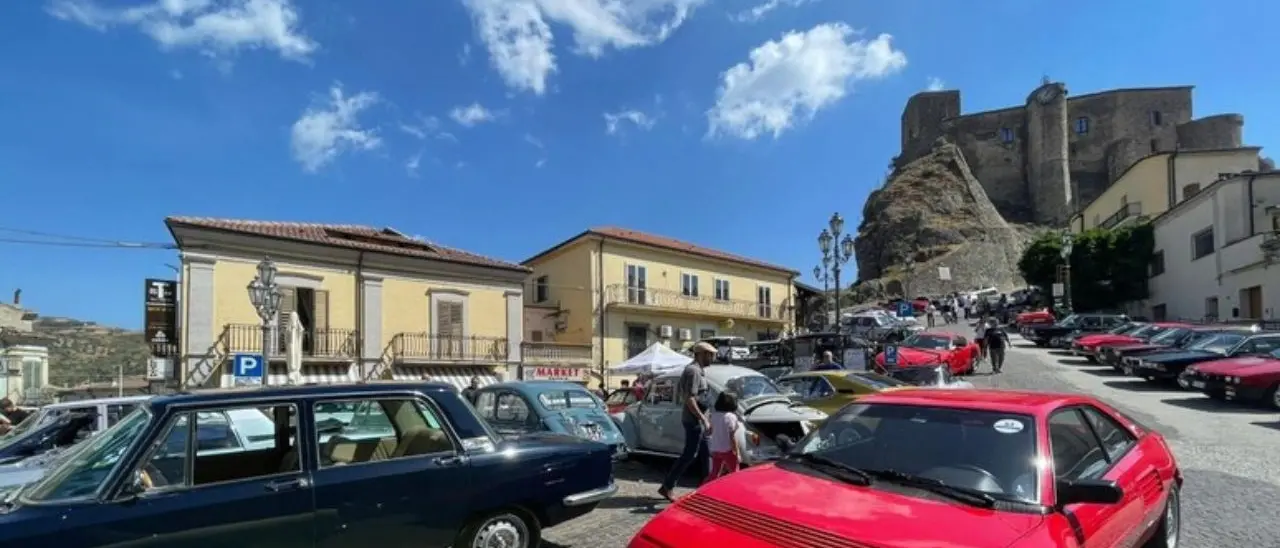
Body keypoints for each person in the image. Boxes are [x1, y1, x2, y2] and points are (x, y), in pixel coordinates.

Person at [659, 341, 714, 502]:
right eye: (710, 355)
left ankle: (707, 488)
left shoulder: (699, 371)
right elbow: (690, 398)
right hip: (694, 421)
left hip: (699, 420)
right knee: (690, 455)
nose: (712, 358)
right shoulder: (693, 371)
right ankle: (667, 486)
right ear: (701, 354)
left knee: (706, 454)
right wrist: (703, 418)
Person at [705, 392, 743, 481]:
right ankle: (735, 491)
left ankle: (706, 488)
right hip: (728, 449)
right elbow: (732, 437)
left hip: (715, 448)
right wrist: (737, 453)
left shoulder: (713, 416)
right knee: (735, 473)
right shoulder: (731, 417)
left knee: (715, 472)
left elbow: (710, 431)